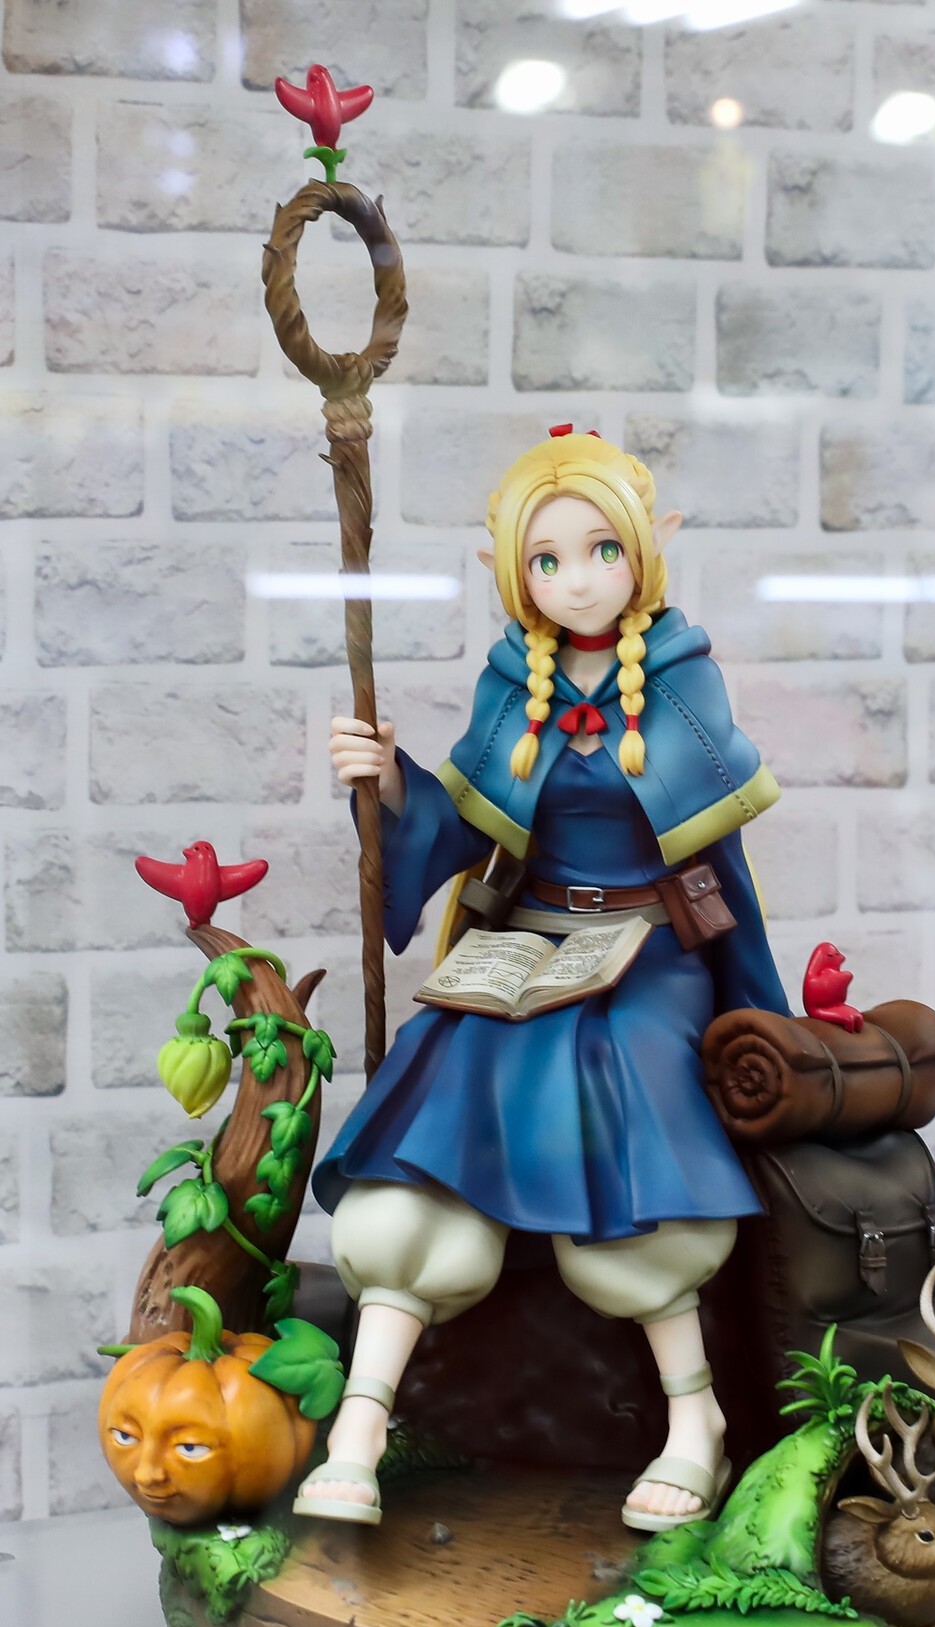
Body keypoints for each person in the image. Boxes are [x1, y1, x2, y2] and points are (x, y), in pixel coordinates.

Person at [294, 428, 790, 1532]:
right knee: (447, 1072)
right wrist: (389, 783)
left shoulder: (681, 679)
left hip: (647, 959)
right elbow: (460, 829)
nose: (577, 580)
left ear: (650, 547)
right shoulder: (510, 682)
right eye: (547, 559)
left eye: (603, 550)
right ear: (510, 571)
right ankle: (361, 1424)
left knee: (623, 1080)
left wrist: (758, 1006)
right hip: (526, 942)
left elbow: (718, 860)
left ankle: (695, 1419)